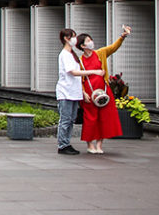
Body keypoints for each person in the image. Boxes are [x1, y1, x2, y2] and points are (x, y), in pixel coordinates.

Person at [78, 26, 130, 154]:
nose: (91, 42)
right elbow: (79, 79)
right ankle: (90, 144)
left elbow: (113, 47)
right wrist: (83, 93)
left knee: (104, 118)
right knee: (90, 119)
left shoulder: (100, 53)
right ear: (82, 46)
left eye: (91, 40)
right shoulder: (80, 61)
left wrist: (122, 36)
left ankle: (99, 145)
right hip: (90, 93)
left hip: (104, 91)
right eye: (88, 41)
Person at [55, 28, 103, 155]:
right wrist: (93, 72)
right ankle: (62, 145)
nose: (75, 39)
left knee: (71, 120)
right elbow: (73, 72)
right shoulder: (64, 55)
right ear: (66, 38)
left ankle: (66, 143)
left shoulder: (72, 54)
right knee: (65, 119)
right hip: (65, 92)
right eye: (73, 36)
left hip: (74, 92)